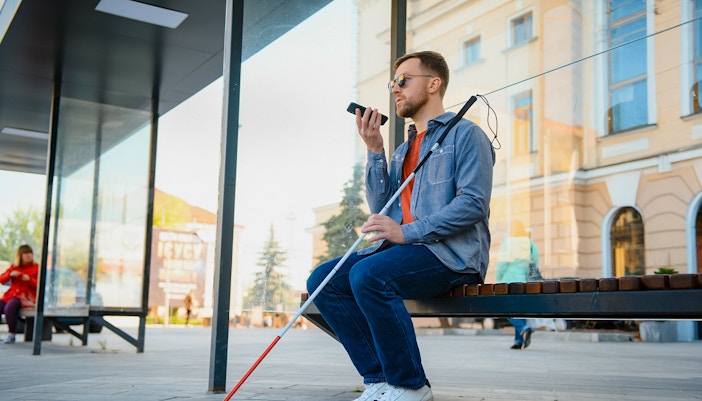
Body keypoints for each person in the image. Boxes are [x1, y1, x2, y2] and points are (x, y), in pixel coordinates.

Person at [307, 51, 494, 401]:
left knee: (370, 276)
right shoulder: (402, 150)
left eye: (404, 80)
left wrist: (406, 233)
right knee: (323, 281)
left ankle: (411, 385)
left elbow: (473, 204)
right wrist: (374, 149)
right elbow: (384, 208)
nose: (395, 89)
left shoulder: (466, 136)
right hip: (406, 254)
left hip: (450, 256)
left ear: (434, 84)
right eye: (393, 82)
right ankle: (379, 378)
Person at [495, 220, 540, 350]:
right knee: (519, 311)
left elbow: (502, 264)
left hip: (509, 281)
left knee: (506, 309)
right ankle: (518, 341)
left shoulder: (508, 243)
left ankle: (523, 329)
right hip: (524, 282)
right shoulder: (530, 244)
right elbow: (535, 265)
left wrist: (499, 278)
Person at [0, 244, 39, 344]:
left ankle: (11, 334)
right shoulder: (14, 267)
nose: (28, 255)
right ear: (20, 255)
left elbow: (39, 285)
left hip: (25, 297)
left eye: (30, 253)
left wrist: (29, 279)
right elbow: (2, 279)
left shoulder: (36, 267)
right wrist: (10, 274)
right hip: (10, 295)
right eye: (25, 253)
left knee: (10, 307)